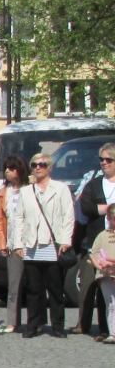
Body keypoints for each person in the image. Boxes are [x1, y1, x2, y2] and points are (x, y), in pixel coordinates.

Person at [12, 149, 75, 339]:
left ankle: (58, 325)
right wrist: (17, 244)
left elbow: (68, 215)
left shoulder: (61, 188)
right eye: (34, 165)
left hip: (53, 244)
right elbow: (18, 218)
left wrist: (66, 240)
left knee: (55, 288)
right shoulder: (25, 191)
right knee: (33, 289)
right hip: (31, 245)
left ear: (50, 167)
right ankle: (34, 324)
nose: (38, 168)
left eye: (42, 165)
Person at [73, 143, 115, 337]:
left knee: (110, 288)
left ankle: (109, 327)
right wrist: (108, 209)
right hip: (96, 241)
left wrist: (101, 208)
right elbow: (86, 207)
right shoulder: (94, 184)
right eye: (102, 160)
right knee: (93, 285)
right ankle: (93, 326)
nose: (104, 163)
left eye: (109, 160)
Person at [0, 155, 27, 333]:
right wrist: (1, 244)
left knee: (36, 284)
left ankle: (36, 320)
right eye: (6, 168)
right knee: (13, 284)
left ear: (19, 170)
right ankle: (12, 321)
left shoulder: (29, 189)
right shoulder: (2, 193)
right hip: (12, 242)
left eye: (11, 168)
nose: (7, 171)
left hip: (30, 242)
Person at [87, 207, 115, 343]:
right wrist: (100, 264)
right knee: (110, 304)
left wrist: (111, 261)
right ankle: (113, 333)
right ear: (108, 218)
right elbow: (93, 253)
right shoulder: (102, 235)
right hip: (105, 274)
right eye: (112, 218)